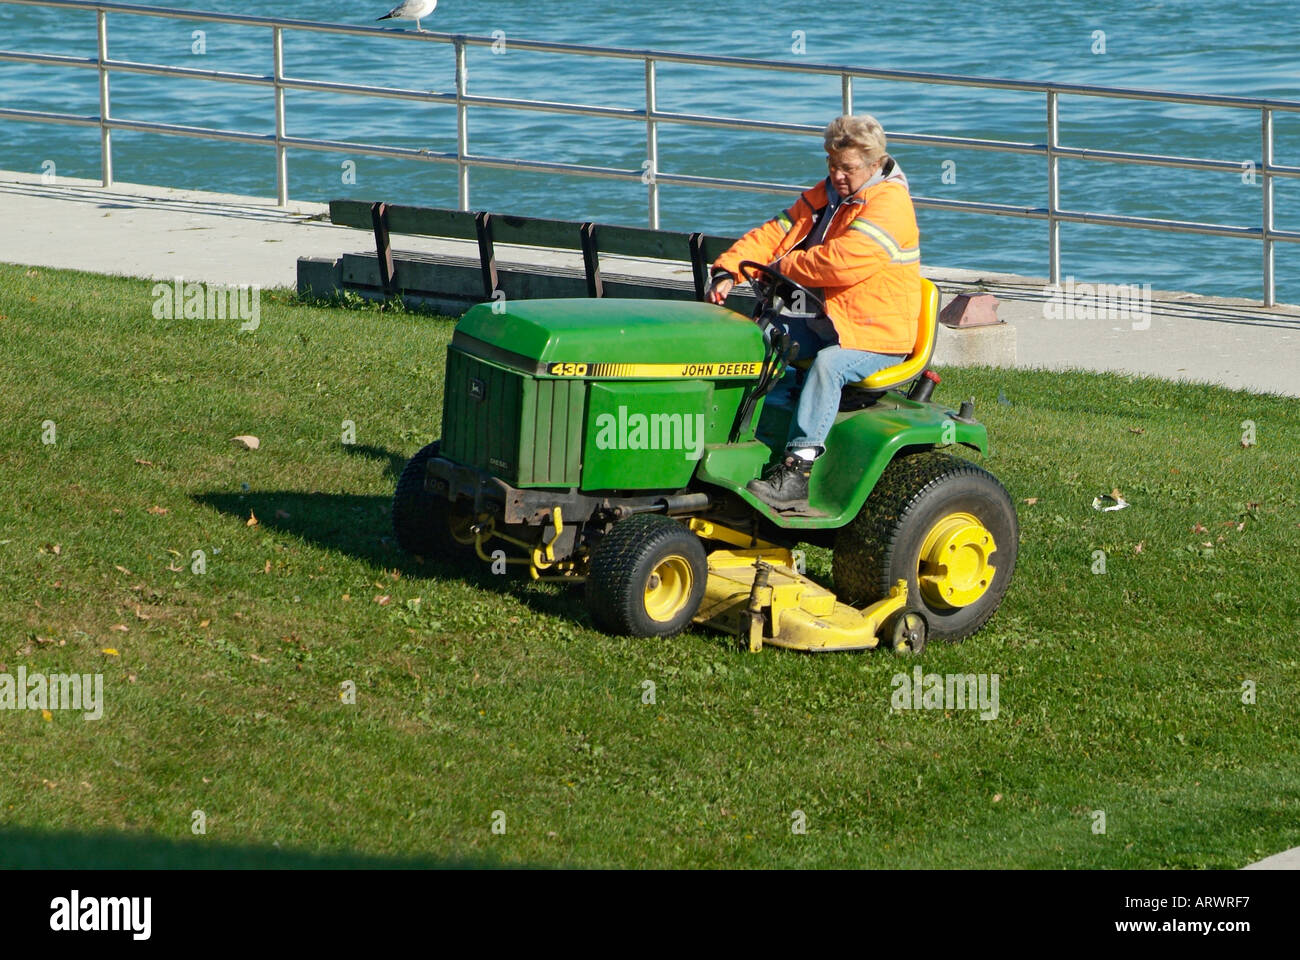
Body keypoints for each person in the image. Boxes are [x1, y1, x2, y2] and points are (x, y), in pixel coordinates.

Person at [705, 114, 921, 507]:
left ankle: (798, 470)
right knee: (759, 337)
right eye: (832, 165)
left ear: (875, 165)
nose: (837, 175)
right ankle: (729, 432)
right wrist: (729, 268)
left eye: (848, 168)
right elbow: (776, 232)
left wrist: (783, 268)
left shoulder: (891, 204)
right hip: (830, 318)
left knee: (828, 366)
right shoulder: (828, 195)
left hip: (877, 333)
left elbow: (842, 262)